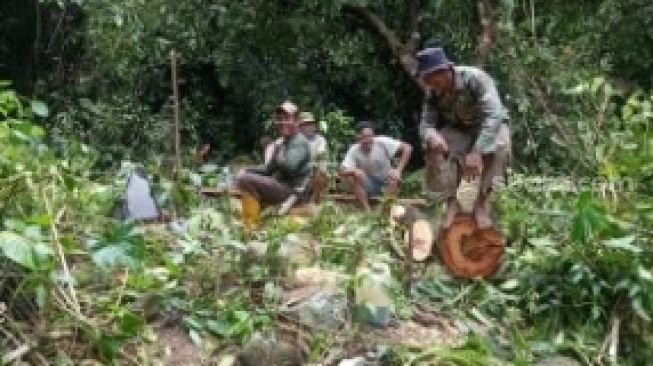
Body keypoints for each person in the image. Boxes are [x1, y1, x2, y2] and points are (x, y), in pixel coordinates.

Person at [416, 47, 511, 229]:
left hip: (489, 125)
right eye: (425, 80)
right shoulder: (433, 91)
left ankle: (481, 203)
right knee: (434, 148)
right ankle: (452, 201)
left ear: (443, 72)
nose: (428, 83)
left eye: (429, 78)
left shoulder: (476, 78)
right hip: (460, 128)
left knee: (500, 146)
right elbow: (426, 124)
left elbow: (494, 115)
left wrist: (477, 151)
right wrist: (431, 136)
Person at [236, 101, 311, 227]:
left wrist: (279, 154)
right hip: (282, 186)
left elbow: (290, 167)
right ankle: (252, 219)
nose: (282, 122)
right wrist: (246, 169)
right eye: (280, 119)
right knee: (245, 176)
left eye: (287, 119)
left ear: (297, 122)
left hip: (293, 191)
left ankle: (249, 226)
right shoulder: (284, 143)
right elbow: (268, 169)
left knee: (246, 180)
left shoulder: (299, 142)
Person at [340, 121, 412, 211]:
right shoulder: (354, 149)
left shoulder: (382, 141)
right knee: (352, 176)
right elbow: (342, 170)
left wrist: (398, 170)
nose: (369, 139)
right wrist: (354, 170)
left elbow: (407, 148)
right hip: (369, 184)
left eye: (371, 136)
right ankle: (367, 211)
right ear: (358, 137)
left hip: (387, 181)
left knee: (393, 176)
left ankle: (386, 210)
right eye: (365, 137)